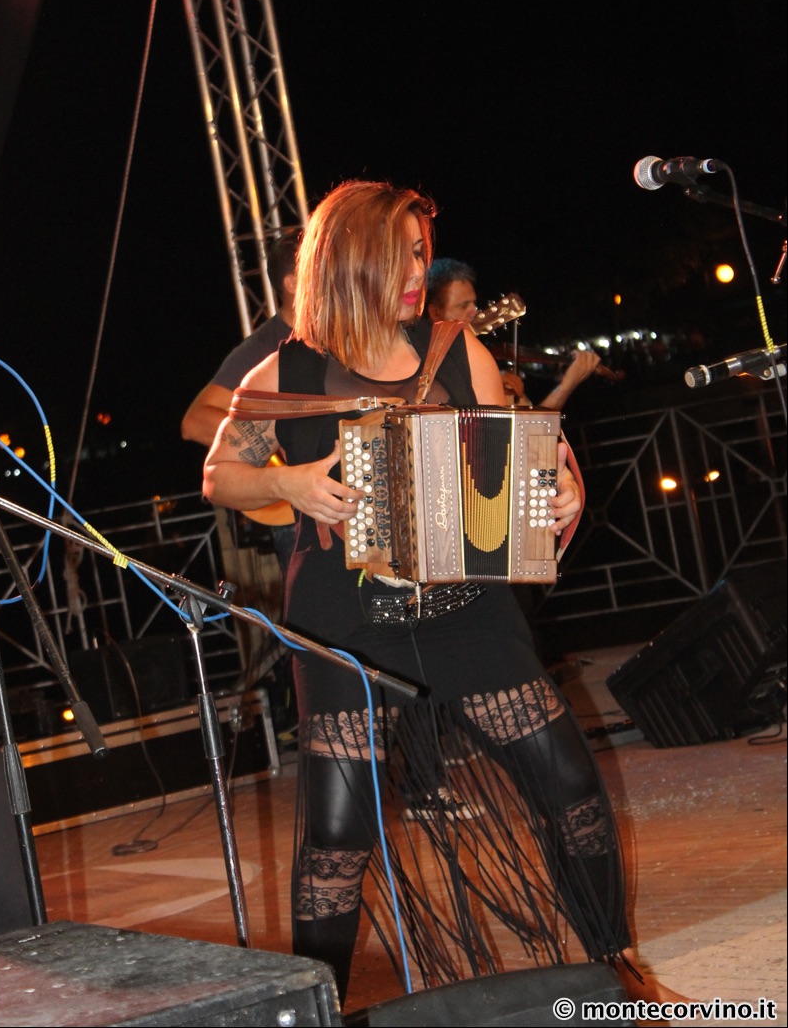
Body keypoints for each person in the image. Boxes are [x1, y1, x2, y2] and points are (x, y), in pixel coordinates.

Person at [203, 180, 634, 1005]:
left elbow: (518, 458)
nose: (417, 272)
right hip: (345, 624)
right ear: (348, 259)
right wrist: (290, 482)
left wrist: (558, 490)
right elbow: (218, 473)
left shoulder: (453, 350)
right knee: (336, 839)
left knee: (570, 788)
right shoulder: (286, 368)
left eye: (418, 252)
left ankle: (612, 972)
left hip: (468, 610)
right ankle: (317, 1011)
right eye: (400, 255)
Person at [182, 234, 299, 576]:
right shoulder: (261, 347)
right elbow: (194, 422)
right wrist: (274, 454)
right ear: (292, 283)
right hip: (297, 516)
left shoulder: (346, 330)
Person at [426, 256, 602, 411]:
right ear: (435, 313)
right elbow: (531, 432)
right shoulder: (424, 369)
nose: (474, 311)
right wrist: (566, 386)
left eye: (474, 303)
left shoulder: (480, 361)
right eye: (463, 306)